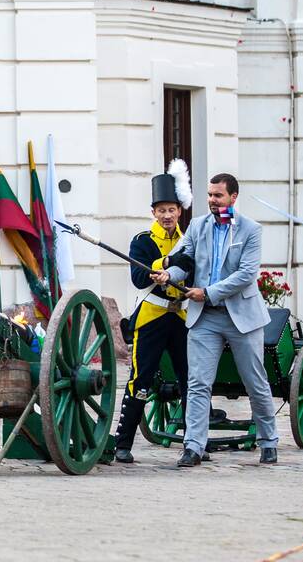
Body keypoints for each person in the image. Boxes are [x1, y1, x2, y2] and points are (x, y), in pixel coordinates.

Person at [153, 172, 280, 467]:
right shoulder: (197, 226)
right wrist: (168, 275)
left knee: (255, 382)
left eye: (218, 196)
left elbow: (246, 275)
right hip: (204, 318)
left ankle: (269, 441)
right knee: (198, 383)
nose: (212, 200)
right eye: (209, 195)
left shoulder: (251, 230)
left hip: (242, 318)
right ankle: (194, 446)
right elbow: (182, 260)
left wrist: (208, 292)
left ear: (233, 197)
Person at [112, 163, 192, 463]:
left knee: (190, 380)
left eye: (171, 209)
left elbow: (193, 269)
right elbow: (137, 277)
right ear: (154, 213)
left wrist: (170, 267)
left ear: (179, 211)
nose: (167, 215)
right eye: (161, 210)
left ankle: (195, 442)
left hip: (182, 318)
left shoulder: (189, 239)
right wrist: (158, 269)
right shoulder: (142, 241)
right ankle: (123, 442)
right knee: (140, 379)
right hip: (152, 316)